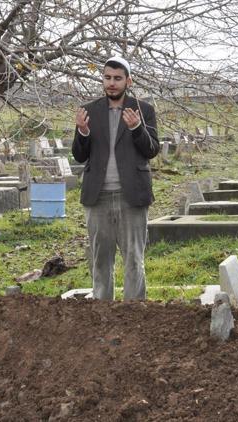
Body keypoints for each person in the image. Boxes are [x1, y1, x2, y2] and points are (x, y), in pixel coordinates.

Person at [72, 56, 160, 300]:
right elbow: (79, 156)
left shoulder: (144, 110)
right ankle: (102, 312)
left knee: (133, 258)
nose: (111, 83)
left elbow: (152, 150)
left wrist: (136, 128)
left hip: (131, 196)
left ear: (127, 81)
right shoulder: (89, 111)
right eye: (107, 77)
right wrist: (83, 132)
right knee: (101, 260)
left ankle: (134, 312)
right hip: (97, 197)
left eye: (117, 78)